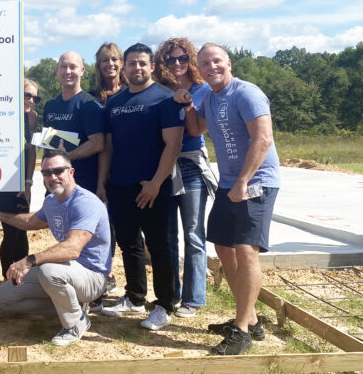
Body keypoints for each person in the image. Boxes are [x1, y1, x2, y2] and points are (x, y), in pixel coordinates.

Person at [183, 43, 281, 355]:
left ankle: (241, 332)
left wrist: (242, 181)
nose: (212, 67)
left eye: (217, 61)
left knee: (246, 250)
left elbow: (263, 138)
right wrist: (187, 103)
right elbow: (197, 128)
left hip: (256, 183)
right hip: (228, 184)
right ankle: (249, 319)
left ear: (229, 62)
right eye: (205, 64)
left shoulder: (246, 93)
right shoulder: (210, 98)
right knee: (222, 246)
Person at [98, 43, 183, 331]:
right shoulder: (115, 102)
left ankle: (165, 305)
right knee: (129, 244)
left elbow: (173, 145)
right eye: (132, 63)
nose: (137, 68)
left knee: (160, 246)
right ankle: (135, 297)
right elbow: (108, 146)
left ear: (152, 67)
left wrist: (156, 183)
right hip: (121, 184)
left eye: (142, 63)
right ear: (124, 66)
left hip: (154, 186)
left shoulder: (164, 99)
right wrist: (104, 181)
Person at [0, 153, 112, 347]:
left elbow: (72, 249)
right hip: (67, 272)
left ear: (71, 172)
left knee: (49, 270)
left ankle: (75, 324)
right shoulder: (52, 202)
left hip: (92, 277)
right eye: (46, 172)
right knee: (4, 297)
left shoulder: (85, 203)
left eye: (58, 171)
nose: (52, 177)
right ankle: (72, 307)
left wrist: (30, 260)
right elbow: (31, 221)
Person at [154, 37, 216, 318]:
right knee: (167, 236)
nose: (176, 64)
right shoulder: (161, 91)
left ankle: (194, 298)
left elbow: (196, 131)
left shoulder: (203, 90)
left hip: (190, 166)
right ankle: (171, 294)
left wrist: (188, 103)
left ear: (190, 59)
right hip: (165, 166)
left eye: (181, 58)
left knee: (193, 233)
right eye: (170, 59)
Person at [0, 78, 39, 276]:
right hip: (2, 180)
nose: (31, 101)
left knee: (22, 230)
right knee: (10, 230)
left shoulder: (32, 117)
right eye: (27, 95)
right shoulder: (0, 115)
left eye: (36, 98)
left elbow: (31, 151)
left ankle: (22, 275)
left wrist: (27, 182)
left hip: (22, 181)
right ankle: (6, 276)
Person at [42, 51, 105, 193]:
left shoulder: (90, 105)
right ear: (57, 70)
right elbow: (47, 143)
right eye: (63, 67)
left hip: (83, 184)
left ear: (82, 71)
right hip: (54, 184)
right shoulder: (50, 105)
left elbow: (98, 143)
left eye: (73, 67)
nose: (68, 71)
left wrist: (66, 157)